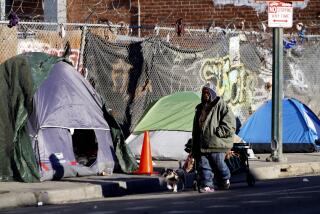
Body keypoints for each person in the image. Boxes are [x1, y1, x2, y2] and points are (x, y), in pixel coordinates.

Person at [192, 82, 236, 193]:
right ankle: (207, 185)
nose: (205, 94)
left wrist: (218, 132)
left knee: (219, 164)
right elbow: (196, 127)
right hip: (203, 143)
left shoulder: (221, 106)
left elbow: (230, 123)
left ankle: (225, 178)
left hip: (216, 142)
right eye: (203, 92)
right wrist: (195, 143)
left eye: (207, 92)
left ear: (212, 93)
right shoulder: (200, 108)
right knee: (204, 165)